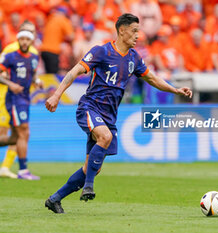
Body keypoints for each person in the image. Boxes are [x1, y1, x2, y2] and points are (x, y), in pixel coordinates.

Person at [44, 13, 192, 214]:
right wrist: (56, 95)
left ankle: (55, 199)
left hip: (109, 116)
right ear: (122, 31)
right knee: (105, 137)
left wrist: (175, 90)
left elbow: (153, 79)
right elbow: (75, 71)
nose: (137, 35)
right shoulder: (101, 51)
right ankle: (88, 187)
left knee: (93, 167)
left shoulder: (134, 58)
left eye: (138, 31)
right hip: (90, 107)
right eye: (134, 31)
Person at [0, 29, 42, 180]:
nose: (24, 41)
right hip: (14, 99)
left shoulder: (34, 58)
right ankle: (23, 170)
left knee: (15, 137)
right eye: (22, 39)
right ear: (18, 40)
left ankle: (23, 169)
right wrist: (10, 84)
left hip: (25, 98)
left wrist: (37, 81)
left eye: (27, 39)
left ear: (31, 41)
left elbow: (33, 74)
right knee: (24, 131)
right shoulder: (10, 57)